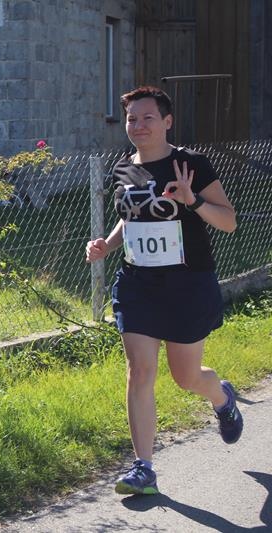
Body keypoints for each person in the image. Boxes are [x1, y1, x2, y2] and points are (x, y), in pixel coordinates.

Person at [85, 86, 243, 496]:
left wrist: (192, 201)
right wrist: (107, 245)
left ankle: (222, 398)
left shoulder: (190, 164)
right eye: (131, 119)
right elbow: (131, 218)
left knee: (186, 377)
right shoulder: (124, 168)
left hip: (187, 284)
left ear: (167, 121)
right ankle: (144, 468)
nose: (138, 125)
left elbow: (228, 222)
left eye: (147, 117)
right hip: (138, 284)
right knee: (139, 371)